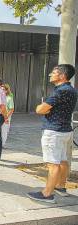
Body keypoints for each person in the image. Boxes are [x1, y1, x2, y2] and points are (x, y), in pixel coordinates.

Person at [27, 64, 77, 204]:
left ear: (62, 76)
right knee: (62, 161)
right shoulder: (71, 90)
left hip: (54, 131)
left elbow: (40, 109)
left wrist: (42, 108)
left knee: (53, 163)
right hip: (65, 130)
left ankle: (48, 194)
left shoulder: (60, 91)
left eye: (53, 72)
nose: (50, 75)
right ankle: (61, 186)